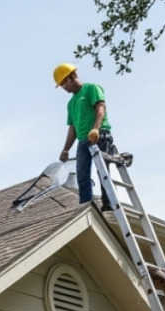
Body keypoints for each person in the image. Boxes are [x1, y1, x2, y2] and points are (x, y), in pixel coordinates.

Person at [55, 63, 124, 210]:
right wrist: (65, 149)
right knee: (82, 175)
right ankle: (86, 206)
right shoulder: (71, 104)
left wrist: (96, 129)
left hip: (99, 135)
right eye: (61, 85)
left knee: (103, 170)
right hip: (83, 141)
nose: (64, 88)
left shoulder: (91, 88)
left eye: (64, 83)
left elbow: (100, 108)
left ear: (72, 76)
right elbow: (72, 128)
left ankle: (108, 203)